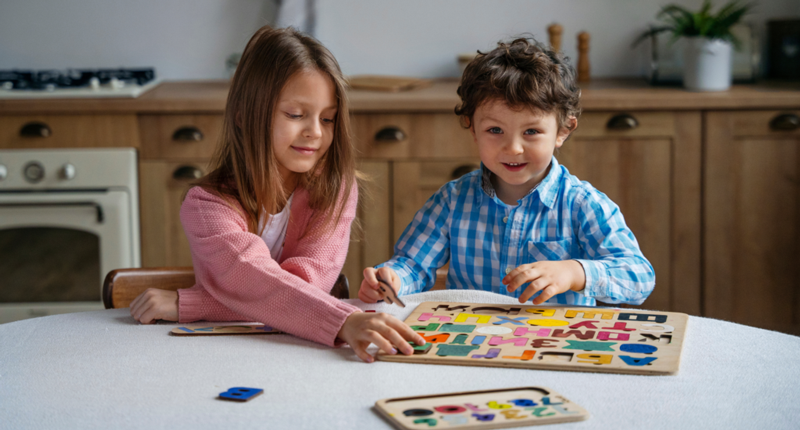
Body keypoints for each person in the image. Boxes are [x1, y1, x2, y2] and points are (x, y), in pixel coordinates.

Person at [129, 26, 424, 363]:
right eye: (296, 115)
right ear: (244, 116)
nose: (314, 131)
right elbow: (256, 283)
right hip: (222, 355)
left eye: (327, 119)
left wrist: (193, 303)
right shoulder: (205, 206)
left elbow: (306, 286)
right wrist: (345, 320)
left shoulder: (336, 186)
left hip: (298, 352)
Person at [359, 37, 655, 307]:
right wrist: (392, 281)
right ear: (472, 128)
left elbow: (640, 277)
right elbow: (412, 265)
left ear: (563, 131)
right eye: (495, 130)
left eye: (532, 131)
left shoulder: (582, 204)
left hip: (551, 348)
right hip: (471, 343)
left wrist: (575, 272)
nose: (513, 148)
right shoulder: (452, 200)